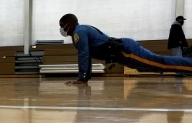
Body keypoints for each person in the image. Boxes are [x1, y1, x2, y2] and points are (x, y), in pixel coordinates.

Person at [59, 13, 192, 85]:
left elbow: (83, 55)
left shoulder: (78, 33)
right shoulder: (81, 29)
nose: (61, 29)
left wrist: (82, 79)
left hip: (126, 51)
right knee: (159, 64)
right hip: (125, 51)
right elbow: (86, 56)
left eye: (62, 25)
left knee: (160, 64)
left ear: (68, 25)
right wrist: (84, 79)